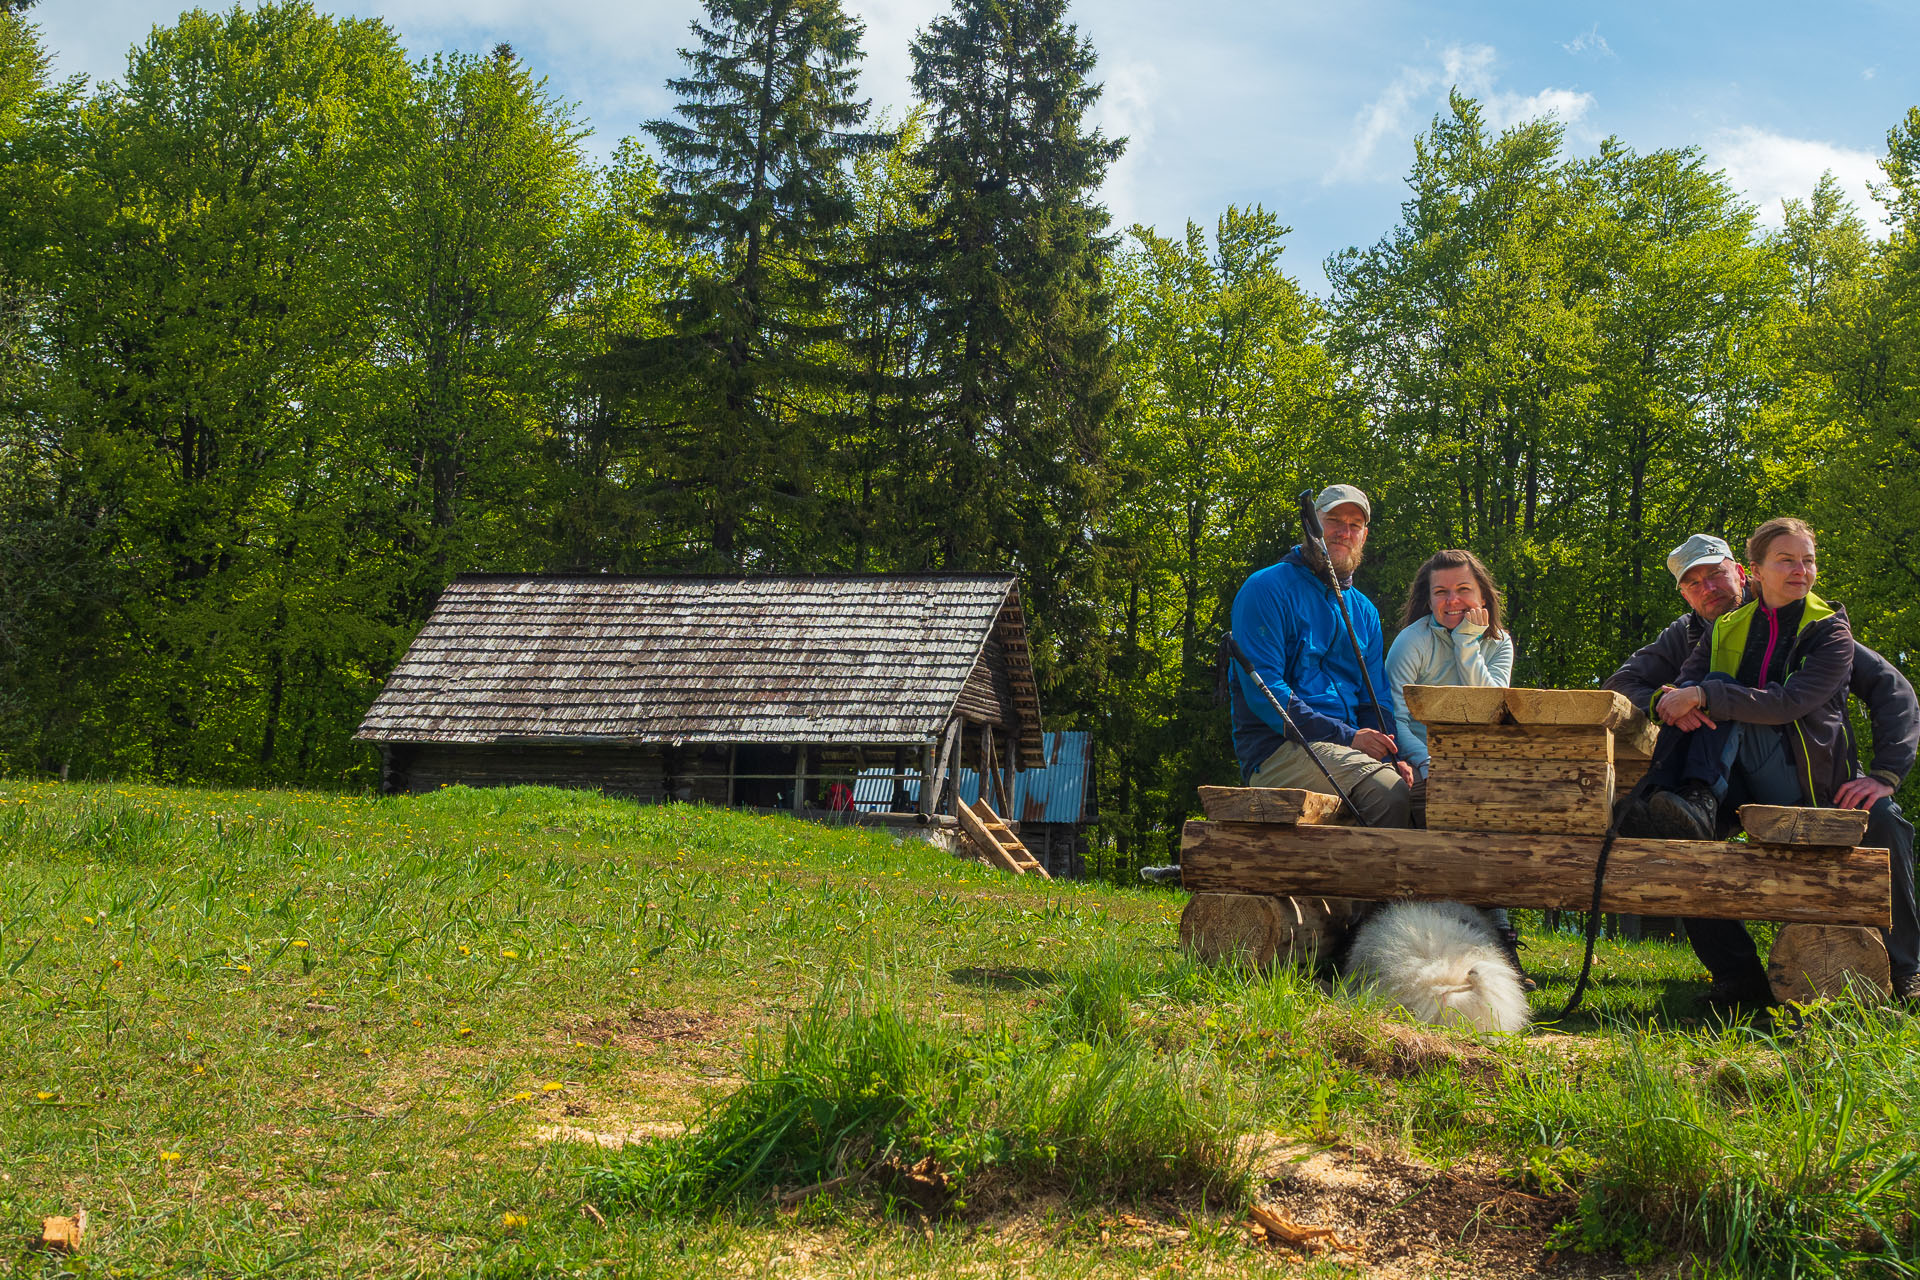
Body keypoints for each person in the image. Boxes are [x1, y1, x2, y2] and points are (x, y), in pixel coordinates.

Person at [1605, 525, 1918, 1005]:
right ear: (1684, 594)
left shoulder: (1814, 627)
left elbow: (1889, 690)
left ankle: (1907, 970)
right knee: (1684, 843)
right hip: (1723, 780)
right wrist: (1669, 701)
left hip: (1811, 773)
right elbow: (1624, 683)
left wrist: (1885, 774)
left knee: (1885, 825)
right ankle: (1738, 977)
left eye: (1716, 576)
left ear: (1742, 573)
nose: (1709, 589)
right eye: (1694, 583)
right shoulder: (1689, 635)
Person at [1227, 484, 1413, 827]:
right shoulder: (1265, 589)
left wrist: (1390, 755)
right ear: (1311, 524)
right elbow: (1266, 693)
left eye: (1354, 525)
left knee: (1422, 795)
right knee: (1390, 795)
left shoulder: (1365, 612)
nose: (1344, 532)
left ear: (1364, 535)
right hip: (1278, 750)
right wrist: (1350, 738)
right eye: (1334, 520)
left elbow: (1376, 700)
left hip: (1348, 750)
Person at [1384, 549, 1529, 984]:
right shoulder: (1411, 643)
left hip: (1482, 766)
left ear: (1482, 594)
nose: (1453, 601)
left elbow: (1491, 708)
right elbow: (1396, 717)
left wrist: (1468, 642)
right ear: (1428, 601)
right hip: (1421, 766)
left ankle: (1501, 939)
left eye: (1463, 590)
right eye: (1441, 592)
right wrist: (1431, 764)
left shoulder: (1498, 642)